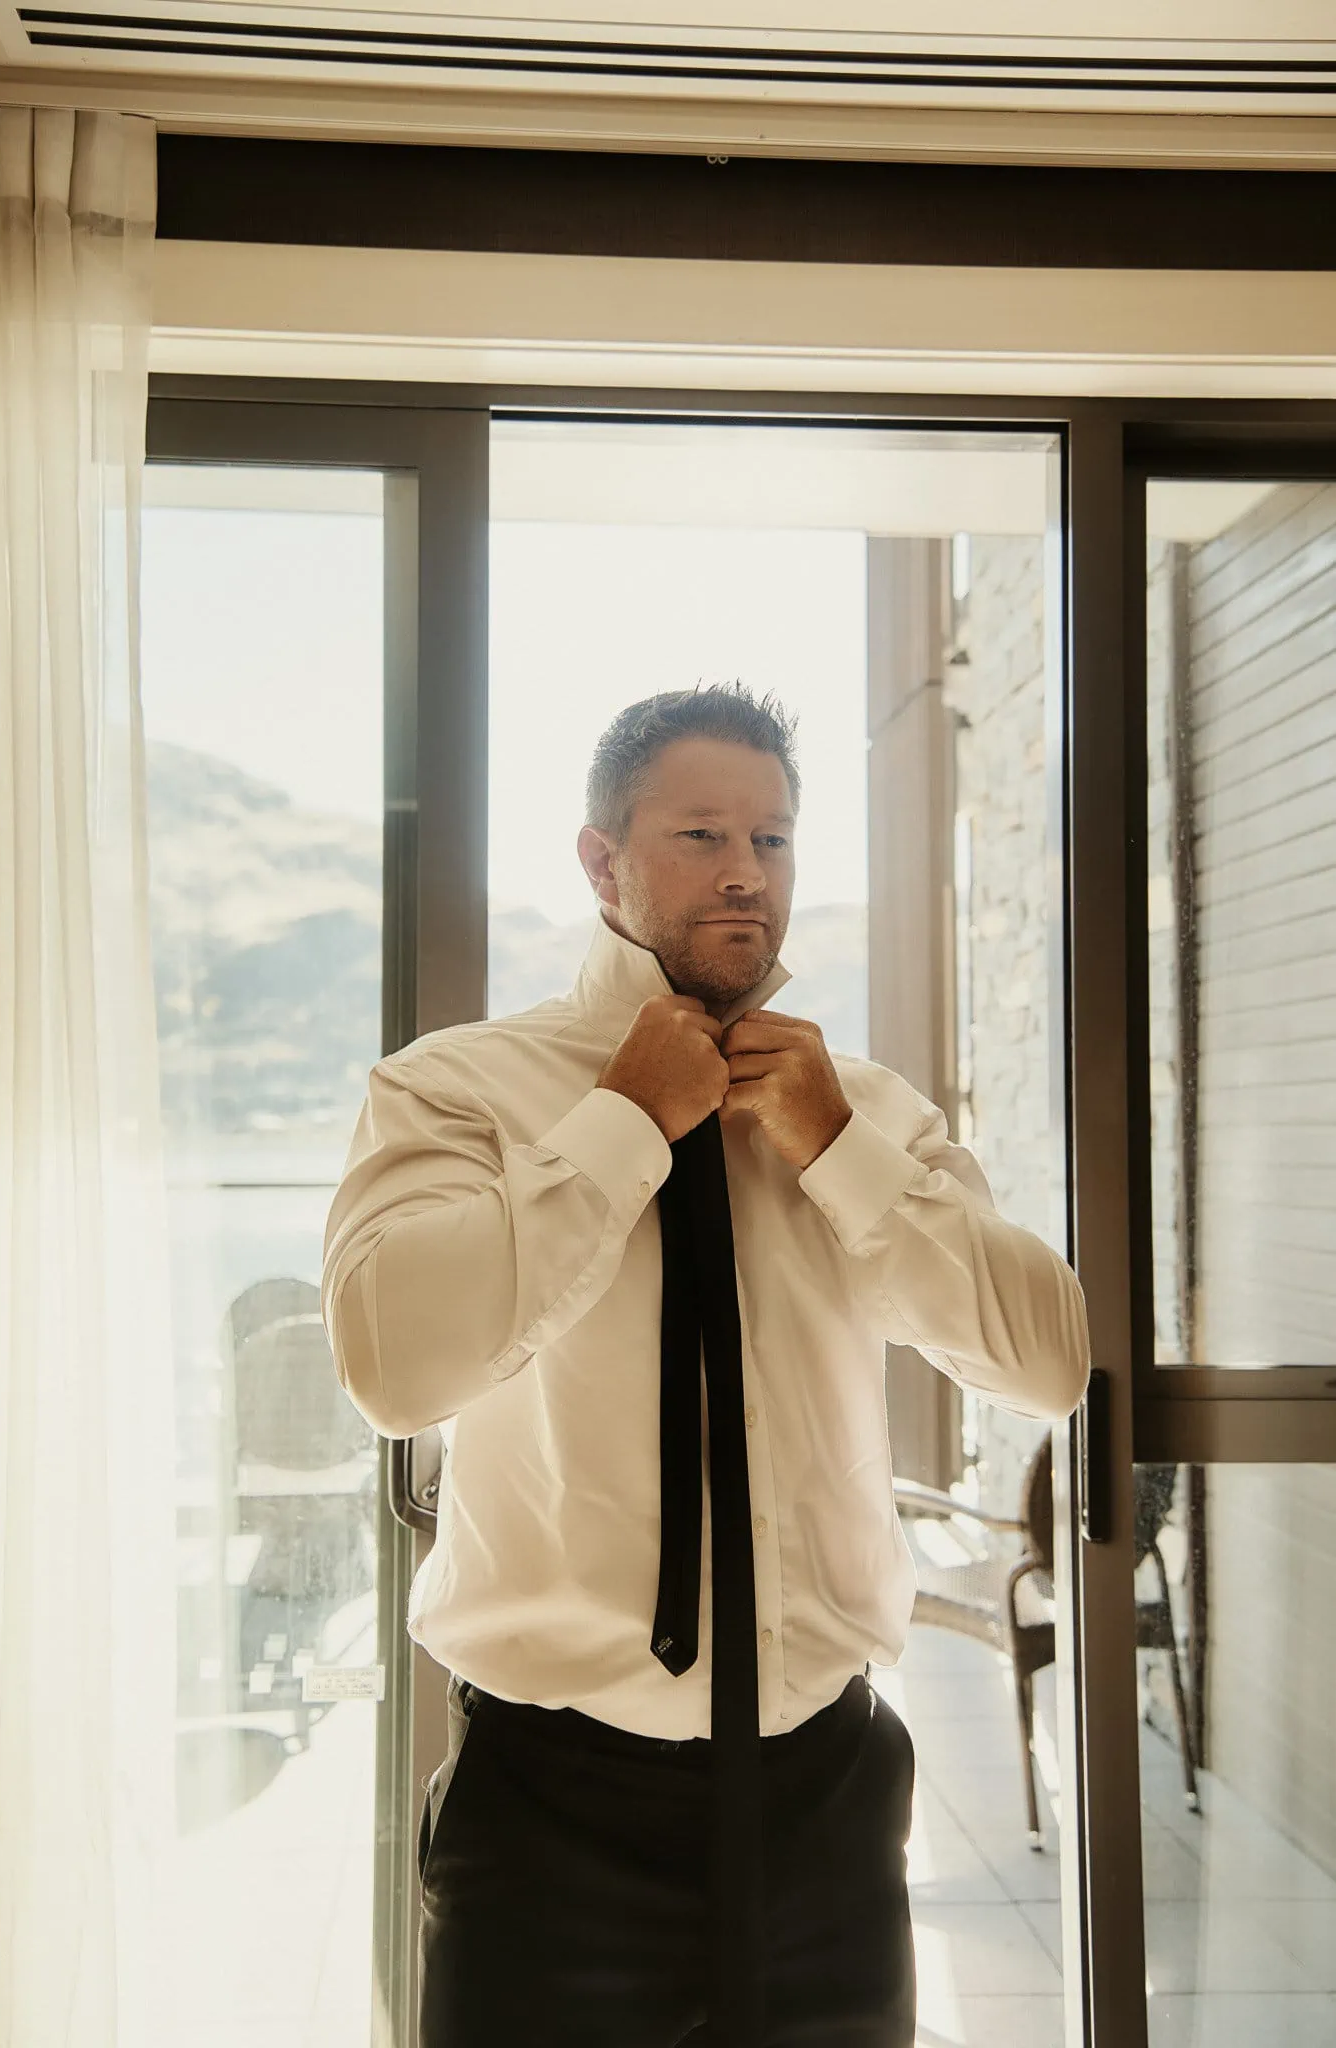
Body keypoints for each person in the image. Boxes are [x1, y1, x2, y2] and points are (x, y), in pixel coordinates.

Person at [322, 682, 1091, 2047]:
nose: (746, 873)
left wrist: (839, 1150)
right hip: (552, 1820)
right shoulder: (455, 1092)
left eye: (772, 840)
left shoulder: (864, 1109)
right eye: (700, 836)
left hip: (828, 1807)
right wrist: (622, 1123)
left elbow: (1045, 1362)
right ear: (600, 860)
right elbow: (395, 1367)